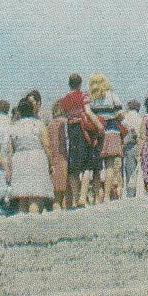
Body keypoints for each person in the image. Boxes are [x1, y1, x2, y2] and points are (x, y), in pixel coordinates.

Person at [56, 74, 101, 207]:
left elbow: (65, 115)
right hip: (83, 130)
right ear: (80, 84)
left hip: (71, 130)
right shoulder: (83, 96)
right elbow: (88, 112)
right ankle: (83, 196)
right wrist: (98, 125)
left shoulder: (64, 100)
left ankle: (76, 198)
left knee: (73, 166)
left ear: (69, 84)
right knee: (86, 165)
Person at [7, 97, 53, 214]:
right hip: (36, 157)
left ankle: (22, 225)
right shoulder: (39, 124)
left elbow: (10, 150)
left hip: (19, 159)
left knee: (22, 197)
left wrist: (10, 168)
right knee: (35, 196)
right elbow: (47, 145)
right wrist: (51, 163)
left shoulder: (13, 127)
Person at [29, 90, 68, 211]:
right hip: (64, 160)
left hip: (52, 161)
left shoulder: (49, 125)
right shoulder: (65, 123)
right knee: (65, 194)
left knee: (56, 196)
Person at [89, 74, 125, 202]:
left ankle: (97, 197)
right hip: (112, 131)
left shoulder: (92, 99)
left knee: (98, 167)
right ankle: (107, 196)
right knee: (110, 165)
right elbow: (120, 115)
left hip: (98, 133)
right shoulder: (112, 95)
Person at [120, 100, 143, 198]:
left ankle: (130, 195)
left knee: (130, 172)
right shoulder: (141, 118)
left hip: (129, 145)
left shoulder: (126, 117)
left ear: (129, 107)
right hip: (140, 145)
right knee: (140, 172)